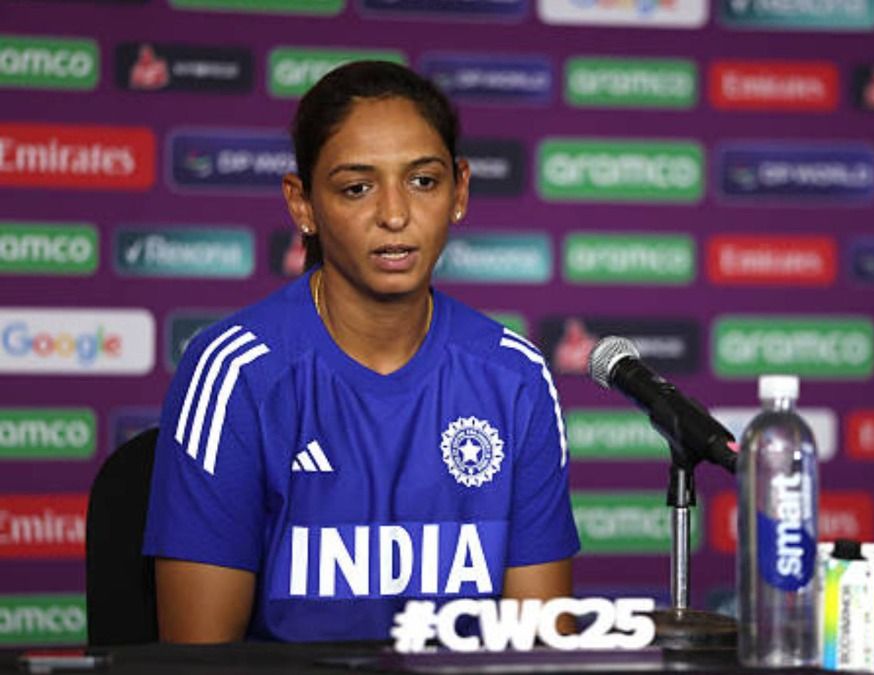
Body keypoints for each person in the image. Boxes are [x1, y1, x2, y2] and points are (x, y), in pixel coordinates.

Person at [142, 61, 580, 643]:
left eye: (423, 181)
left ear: (460, 190)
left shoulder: (514, 377)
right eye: (357, 188)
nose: (395, 215)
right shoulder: (236, 372)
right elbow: (200, 661)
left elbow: (541, 648)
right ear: (302, 204)